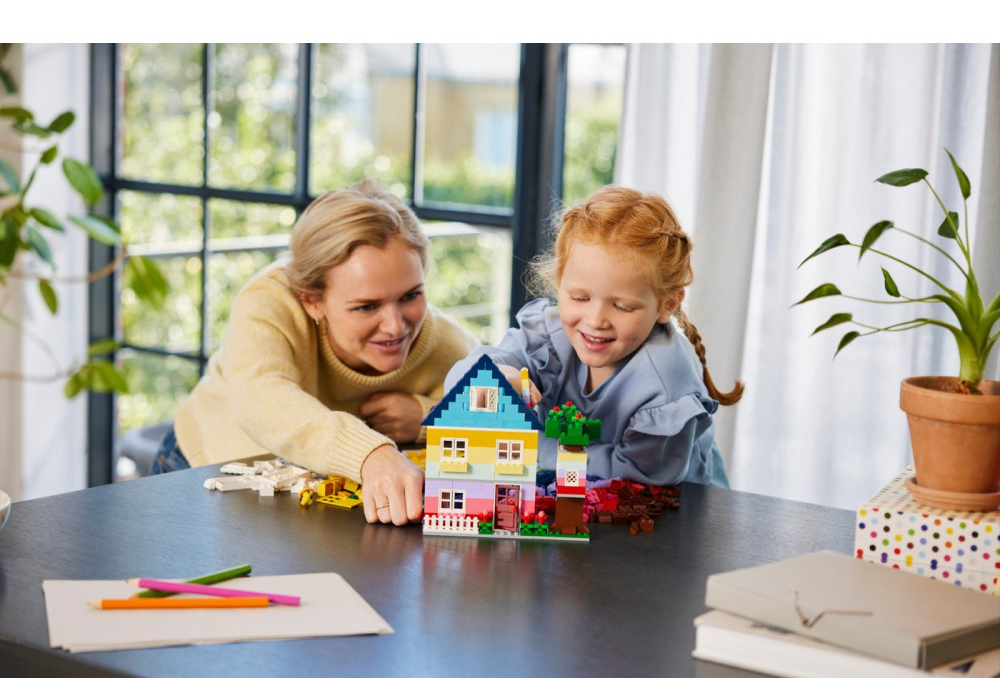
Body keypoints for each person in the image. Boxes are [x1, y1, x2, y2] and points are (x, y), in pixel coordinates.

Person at [151, 180, 480, 525]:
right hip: (211, 470)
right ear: (312, 301)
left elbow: (494, 413)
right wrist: (372, 454)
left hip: (317, 495)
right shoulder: (268, 301)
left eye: (411, 295)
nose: (396, 326)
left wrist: (429, 418)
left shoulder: (447, 343)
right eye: (367, 306)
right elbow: (262, 398)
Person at [445, 185, 743, 486]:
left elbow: (638, 475)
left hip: (681, 508)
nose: (596, 320)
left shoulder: (666, 383)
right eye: (580, 298)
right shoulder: (547, 336)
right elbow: (460, 380)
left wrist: (535, 447)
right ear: (559, 283)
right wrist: (494, 376)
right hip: (573, 494)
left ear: (667, 305)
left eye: (622, 306)